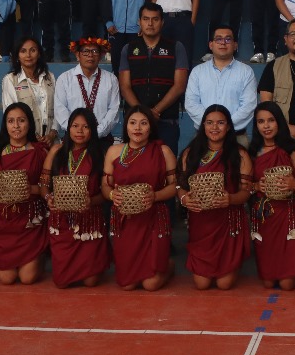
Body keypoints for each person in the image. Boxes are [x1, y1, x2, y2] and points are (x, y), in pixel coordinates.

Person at [177, 104, 253, 290]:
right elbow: (179, 186)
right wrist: (184, 199)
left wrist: (231, 199)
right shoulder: (191, 153)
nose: (214, 127)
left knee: (224, 284)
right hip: (201, 222)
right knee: (201, 284)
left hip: (228, 223)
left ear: (228, 127)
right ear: (203, 125)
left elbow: (247, 192)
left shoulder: (240, 154)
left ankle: (231, 263)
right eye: (209, 123)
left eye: (220, 123)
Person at [103, 104, 176, 291]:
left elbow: (174, 188)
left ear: (150, 127)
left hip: (154, 218)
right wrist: (112, 195)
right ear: (126, 126)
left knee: (151, 285)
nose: (137, 128)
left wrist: (155, 196)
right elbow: (105, 186)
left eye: (143, 123)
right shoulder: (114, 151)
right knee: (127, 285)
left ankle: (168, 266)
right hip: (126, 220)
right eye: (133, 123)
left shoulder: (163, 151)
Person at [0, 102, 49, 286]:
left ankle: (40, 254)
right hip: (2, 220)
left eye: (21, 121)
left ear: (29, 124)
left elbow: (48, 186)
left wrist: (32, 189)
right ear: (5, 124)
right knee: (7, 278)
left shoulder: (39, 151)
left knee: (27, 278)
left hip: (29, 220)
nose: (16, 126)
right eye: (11, 121)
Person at [44, 107, 110, 288]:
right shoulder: (57, 151)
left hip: (89, 221)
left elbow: (105, 194)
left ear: (93, 130)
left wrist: (91, 201)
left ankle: (97, 261)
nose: (79, 131)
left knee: (91, 282)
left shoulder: (100, 155)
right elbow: (44, 185)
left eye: (85, 127)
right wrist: (49, 197)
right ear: (68, 128)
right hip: (62, 221)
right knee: (61, 283)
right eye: (75, 126)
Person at [249, 102, 295, 291]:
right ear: (256, 125)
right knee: (268, 283)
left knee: (287, 284)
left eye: (271, 121)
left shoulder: (292, 150)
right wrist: (255, 186)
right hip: (263, 217)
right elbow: (245, 187)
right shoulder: (252, 152)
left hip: (288, 216)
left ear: (279, 123)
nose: (266, 126)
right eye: (261, 121)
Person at [117, 3, 189, 152]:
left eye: (155, 19)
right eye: (145, 19)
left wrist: (155, 111)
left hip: (166, 121)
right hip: (135, 122)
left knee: (166, 168)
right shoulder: (128, 49)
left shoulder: (176, 47)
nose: (150, 23)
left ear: (162, 22)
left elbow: (179, 86)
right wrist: (142, 114)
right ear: (139, 22)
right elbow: (125, 87)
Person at [184, 24, 257, 141]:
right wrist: (211, 126)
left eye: (228, 39)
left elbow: (248, 106)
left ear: (235, 45)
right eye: (218, 39)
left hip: (236, 137)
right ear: (211, 45)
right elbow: (191, 104)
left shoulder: (246, 72)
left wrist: (225, 126)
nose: (223, 43)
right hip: (203, 137)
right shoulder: (198, 71)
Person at [54, 36, 121, 142]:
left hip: (101, 138)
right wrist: (76, 131)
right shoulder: (64, 79)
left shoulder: (111, 79)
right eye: (85, 51)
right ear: (77, 55)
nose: (90, 55)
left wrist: (96, 133)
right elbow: (60, 109)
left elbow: (114, 110)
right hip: (73, 139)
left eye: (95, 51)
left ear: (101, 55)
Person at [0, 37, 55, 140]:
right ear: (17, 56)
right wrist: (32, 136)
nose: (28, 55)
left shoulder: (50, 77)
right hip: (25, 140)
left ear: (39, 54)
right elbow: (11, 113)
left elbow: (58, 108)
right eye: (23, 51)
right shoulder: (10, 80)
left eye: (33, 50)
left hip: (50, 139)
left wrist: (52, 133)